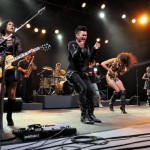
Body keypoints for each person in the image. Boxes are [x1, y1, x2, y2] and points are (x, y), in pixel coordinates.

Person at [66, 25, 101, 124]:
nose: (84, 37)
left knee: (90, 91)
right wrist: (79, 49)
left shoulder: (86, 46)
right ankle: (84, 116)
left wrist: (95, 49)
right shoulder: (71, 44)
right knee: (83, 89)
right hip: (72, 72)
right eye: (82, 35)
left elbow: (90, 59)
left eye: (86, 35)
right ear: (77, 35)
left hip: (81, 72)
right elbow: (74, 56)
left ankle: (91, 115)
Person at [0, 20, 23, 126]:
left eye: (14, 25)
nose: (12, 26)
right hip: (0, 67)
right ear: (5, 26)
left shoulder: (16, 40)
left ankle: (9, 116)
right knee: (0, 91)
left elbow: (20, 54)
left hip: (11, 67)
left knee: (12, 94)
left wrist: (15, 60)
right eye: (10, 24)